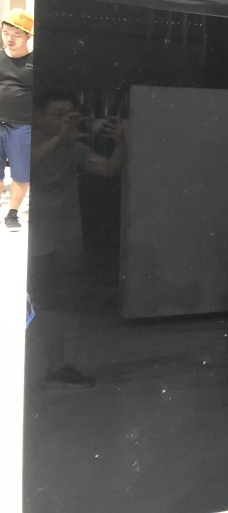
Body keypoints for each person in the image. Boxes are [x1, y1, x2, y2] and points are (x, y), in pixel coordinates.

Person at [28, 91, 127, 386]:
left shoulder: (74, 149)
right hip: (14, 238)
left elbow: (109, 169)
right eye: (57, 114)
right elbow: (22, 166)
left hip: (44, 241)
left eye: (70, 115)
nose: (65, 121)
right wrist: (59, 137)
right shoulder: (22, 140)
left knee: (48, 301)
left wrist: (121, 144)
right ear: (38, 117)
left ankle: (57, 367)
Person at [0, 8, 34, 230]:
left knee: (21, 172)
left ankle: (12, 213)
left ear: (28, 36)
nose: (9, 38)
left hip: (22, 125)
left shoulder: (36, 62)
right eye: (6, 33)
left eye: (16, 34)